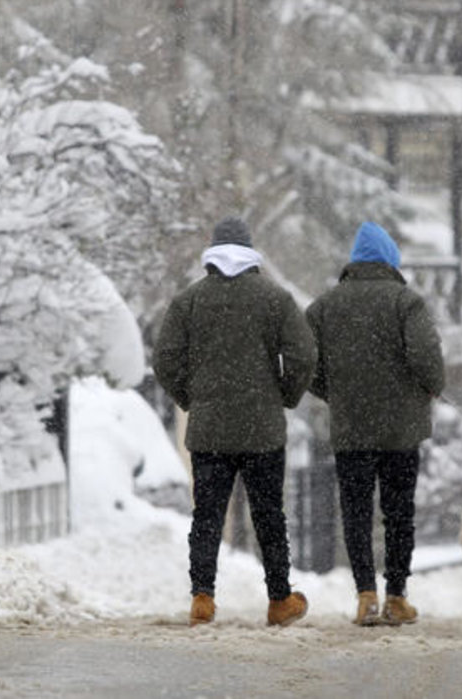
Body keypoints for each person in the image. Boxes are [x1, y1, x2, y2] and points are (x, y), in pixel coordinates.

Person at [153, 217, 315, 627]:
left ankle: (202, 598)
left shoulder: (189, 301)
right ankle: (280, 600)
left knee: (206, 515)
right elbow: (303, 355)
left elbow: (165, 358)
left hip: (208, 430)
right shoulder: (275, 299)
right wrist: (285, 394)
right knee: (269, 515)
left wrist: (192, 397)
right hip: (262, 428)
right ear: (249, 252)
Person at [306, 221, 445, 626]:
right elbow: (426, 358)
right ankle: (397, 596)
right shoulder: (407, 303)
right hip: (401, 430)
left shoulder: (324, 307)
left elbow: (305, 363)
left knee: (356, 511)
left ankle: (365, 593)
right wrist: (430, 387)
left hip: (351, 429)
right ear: (389, 261)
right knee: (399, 512)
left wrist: (334, 393)